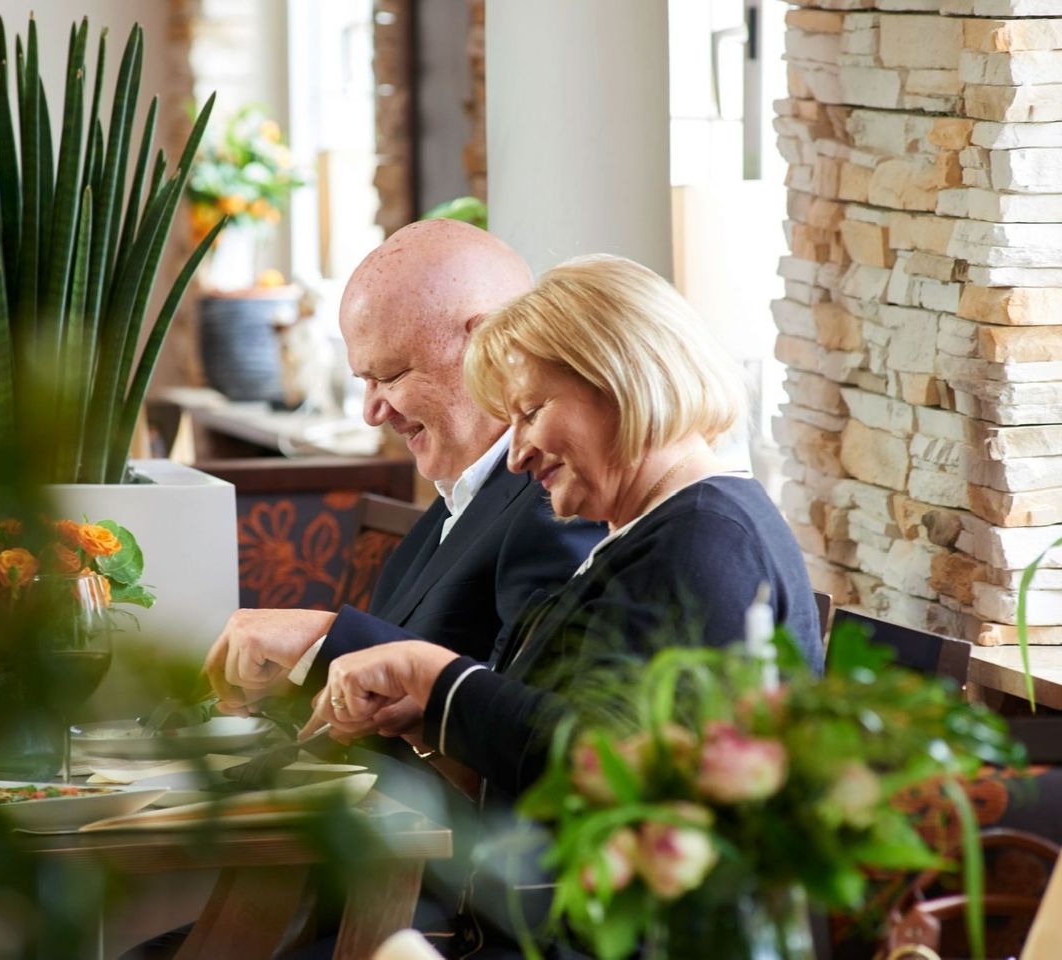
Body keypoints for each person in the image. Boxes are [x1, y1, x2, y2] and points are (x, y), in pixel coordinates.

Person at [303, 254, 823, 956]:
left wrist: (438, 681)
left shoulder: (704, 542)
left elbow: (612, 767)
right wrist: (430, 719)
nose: (515, 454)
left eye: (530, 412)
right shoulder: (664, 531)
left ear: (618, 381)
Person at [202, 219, 605, 718]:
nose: (371, 411)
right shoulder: (458, 496)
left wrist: (323, 638)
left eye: (389, 376)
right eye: (363, 381)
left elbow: (516, 725)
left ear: (488, 347)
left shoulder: (556, 501)